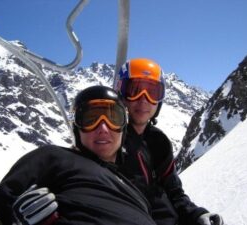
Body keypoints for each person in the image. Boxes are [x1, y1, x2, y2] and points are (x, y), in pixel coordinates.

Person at [12, 59, 224, 225]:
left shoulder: (158, 142)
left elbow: (174, 192)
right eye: (135, 89)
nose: (143, 99)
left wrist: (196, 215)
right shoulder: (104, 141)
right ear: (121, 94)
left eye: (152, 92)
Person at [0, 85, 156, 225]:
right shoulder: (54, 157)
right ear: (77, 127)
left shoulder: (136, 192)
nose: (103, 128)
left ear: (124, 127)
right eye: (90, 119)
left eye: (114, 118)